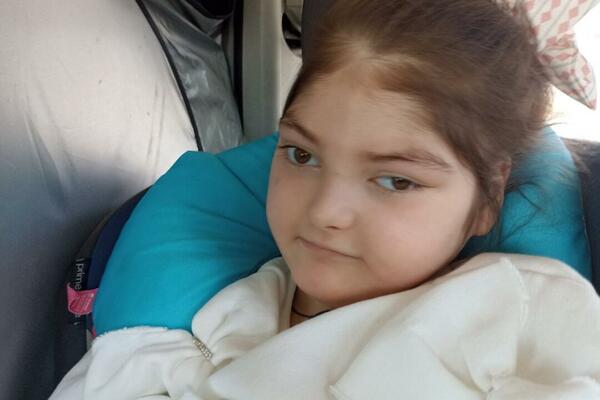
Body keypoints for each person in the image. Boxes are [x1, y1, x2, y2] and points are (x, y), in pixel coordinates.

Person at [51, 0, 600, 398]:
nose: (324, 213)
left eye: (396, 181)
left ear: (487, 199)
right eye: (301, 155)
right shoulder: (219, 317)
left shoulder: (516, 312)